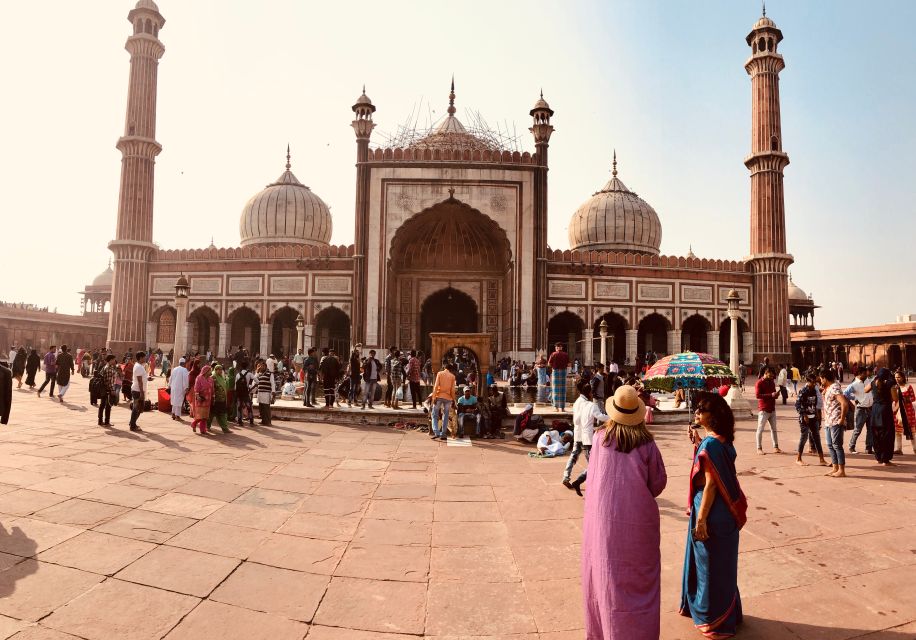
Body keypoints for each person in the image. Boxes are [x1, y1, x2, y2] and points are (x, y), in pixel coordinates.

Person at [582, 385, 667, 640]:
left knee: (603, 577)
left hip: (603, 522)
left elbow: (595, 475)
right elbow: (658, 484)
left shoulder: (599, 438)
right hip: (638, 523)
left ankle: (605, 632)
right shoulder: (647, 444)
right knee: (639, 581)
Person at [680, 392, 747, 639]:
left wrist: (700, 520)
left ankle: (713, 620)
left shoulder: (711, 446)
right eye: (696, 408)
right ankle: (729, 614)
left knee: (709, 567)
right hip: (726, 514)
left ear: (714, 415)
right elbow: (715, 461)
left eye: (701, 409)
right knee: (724, 567)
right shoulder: (722, 441)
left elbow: (710, 485)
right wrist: (698, 443)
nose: (696, 412)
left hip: (711, 514)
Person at [564, 380, 609, 496]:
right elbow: (599, 417)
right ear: (590, 393)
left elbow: (577, 421)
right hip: (586, 437)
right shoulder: (588, 405)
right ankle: (579, 481)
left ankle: (567, 476)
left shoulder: (578, 403)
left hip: (579, 433)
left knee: (575, 456)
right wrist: (613, 417)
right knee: (593, 462)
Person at [820, 368, 850, 477]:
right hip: (828, 421)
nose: (820, 381)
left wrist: (841, 419)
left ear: (825, 378)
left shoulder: (835, 387)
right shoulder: (829, 388)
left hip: (835, 421)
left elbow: (844, 403)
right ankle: (835, 468)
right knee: (830, 445)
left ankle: (842, 470)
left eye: (821, 379)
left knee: (837, 445)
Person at [794, 374, 828, 466]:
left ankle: (822, 459)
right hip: (805, 419)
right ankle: (798, 458)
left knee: (817, 437)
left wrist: (817, 413)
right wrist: (804, 414)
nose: (814, 384)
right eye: (812, 382)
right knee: (804, 437)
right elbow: (797, 405)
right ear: (808, 382)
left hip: (813, 417)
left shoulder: (814, 391)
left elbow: (815, 402)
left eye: (815, 382)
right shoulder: (803, 391)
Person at [869, 368, 897, 466]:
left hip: (875, 410)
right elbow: (895, 398)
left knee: (876, 434)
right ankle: (886, 459)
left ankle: (879, 458)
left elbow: (865, 390)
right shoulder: (889, 384)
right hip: (885, 410)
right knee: (887, 435)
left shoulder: (873, 383)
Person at [844, 367, 874, 455]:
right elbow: (845, 394)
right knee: (858, 429)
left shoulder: (868, 381)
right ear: (860, 374)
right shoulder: (854, 384)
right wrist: (855, 398)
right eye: (865, 373)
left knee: (870, 429)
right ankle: (851, 446)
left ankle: (868, 447)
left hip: (870, 408)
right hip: (861, 409)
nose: (867, 374)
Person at [754, 367, 782, 454]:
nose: (771, 377)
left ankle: (776, 446)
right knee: (760, 429)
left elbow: (773, 393)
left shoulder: (771, 382)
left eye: (772, 376)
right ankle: (759, 448)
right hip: (764, 409)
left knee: (774, 429)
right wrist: (771, 395)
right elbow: (758, 395)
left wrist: (776, 395)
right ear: (765, 373)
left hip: (772, 409)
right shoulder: (759, 383)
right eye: (770, 375)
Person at [430, 363, 456, 441]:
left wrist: (434, 397)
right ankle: (443, 433)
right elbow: (452, 390)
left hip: (439, 396)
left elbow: (436, 386)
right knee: (446, 416)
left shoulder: (440, 374)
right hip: (448, 398)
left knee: (434, 414)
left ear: (444, 367)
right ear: (451, 369)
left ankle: (436, 432)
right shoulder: (452, 376)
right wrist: (453, 400)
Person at [893, 370, 915, 454]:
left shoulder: (908, 386)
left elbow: (913, 398)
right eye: (895, 377)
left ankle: (915, 448)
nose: (897, 379)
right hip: (897, 412)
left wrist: (904, 399)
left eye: (898, 377)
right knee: (898, 432)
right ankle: (899, 449)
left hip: (908, 411)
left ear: (903, 377)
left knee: (911, 431)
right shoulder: (894, 387)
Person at [190, 365, 213, 434]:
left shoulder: (210, 379)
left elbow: (212, 389)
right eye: (209, 370)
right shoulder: (199, 378)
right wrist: (197, 396)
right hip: (201, 399)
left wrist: (213, 396)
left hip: (208, 400)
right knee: (201, 416)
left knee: (205, 416)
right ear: (206, 371)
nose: (210, 372)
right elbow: (196, 388)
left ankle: (202, 430)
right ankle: (194, 424)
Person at [547, 343, 570, 411]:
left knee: (555, 390)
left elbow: (549, 364)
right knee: (562, 391)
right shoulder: (565, 354)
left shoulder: (553, 354)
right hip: (563, 372)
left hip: (555, 373)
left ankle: (556, 407)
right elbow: (568, 364)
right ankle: (562, 408)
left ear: (556, 348)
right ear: (561, 347)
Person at [127, 351, 147, 432]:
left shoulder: (139, 366)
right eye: (144, 357)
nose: (145, 359)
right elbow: (139, 381)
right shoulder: (138, 367)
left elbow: (141, 378)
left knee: (139, 408)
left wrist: (147, 378)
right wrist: (142, 392)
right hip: (137, 390)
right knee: (136, 408)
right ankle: (132, 425)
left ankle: (132, 422)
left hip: (138, 390)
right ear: (141, 358)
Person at [97, 354, 118, 427]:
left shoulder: (106, 367)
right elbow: (109, 381)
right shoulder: (108, 368)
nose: (114, 361)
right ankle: (106, 421)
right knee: (108, 405)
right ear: (111, 360)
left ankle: (100, 421)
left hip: (103, 389)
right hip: (108, 389)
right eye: (114, 359)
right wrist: (112, 390)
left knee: (102, 405)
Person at [209, 364, 231, 433]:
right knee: (211, 414)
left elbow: (225, 387)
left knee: (223, 414)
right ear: (215, 370)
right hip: (215, 400)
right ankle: (207, 426)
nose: (220, 371)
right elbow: (210, 388)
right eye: (219, 369)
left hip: (222, 400)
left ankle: (225, 428)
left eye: (221, 369)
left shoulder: (222, 378)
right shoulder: (212, 377)